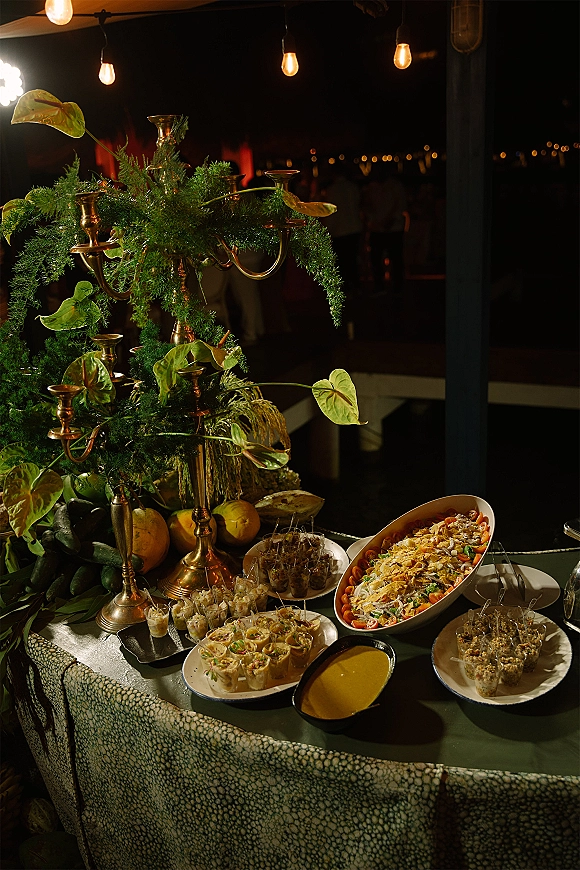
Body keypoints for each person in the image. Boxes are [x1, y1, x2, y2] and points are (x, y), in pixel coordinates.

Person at [361, 164, 408, 299]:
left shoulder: (395, 186)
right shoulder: (372, 188)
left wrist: (390, 220)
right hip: (378, 228)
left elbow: (400, 206)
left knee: (396, 258)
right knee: (376, 259)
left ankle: (397, 285)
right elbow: (367, 206)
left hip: (393, 228)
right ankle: (380, 285)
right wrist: (373, 221)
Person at [322, 164, 363, 298]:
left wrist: (329, 230)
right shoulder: (353, 188)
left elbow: (332, 213)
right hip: (354, 228)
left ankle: (345, 287)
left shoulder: (333, 190)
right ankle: (355, 286)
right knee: (352, 259)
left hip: (340, 230)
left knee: (342, 261)